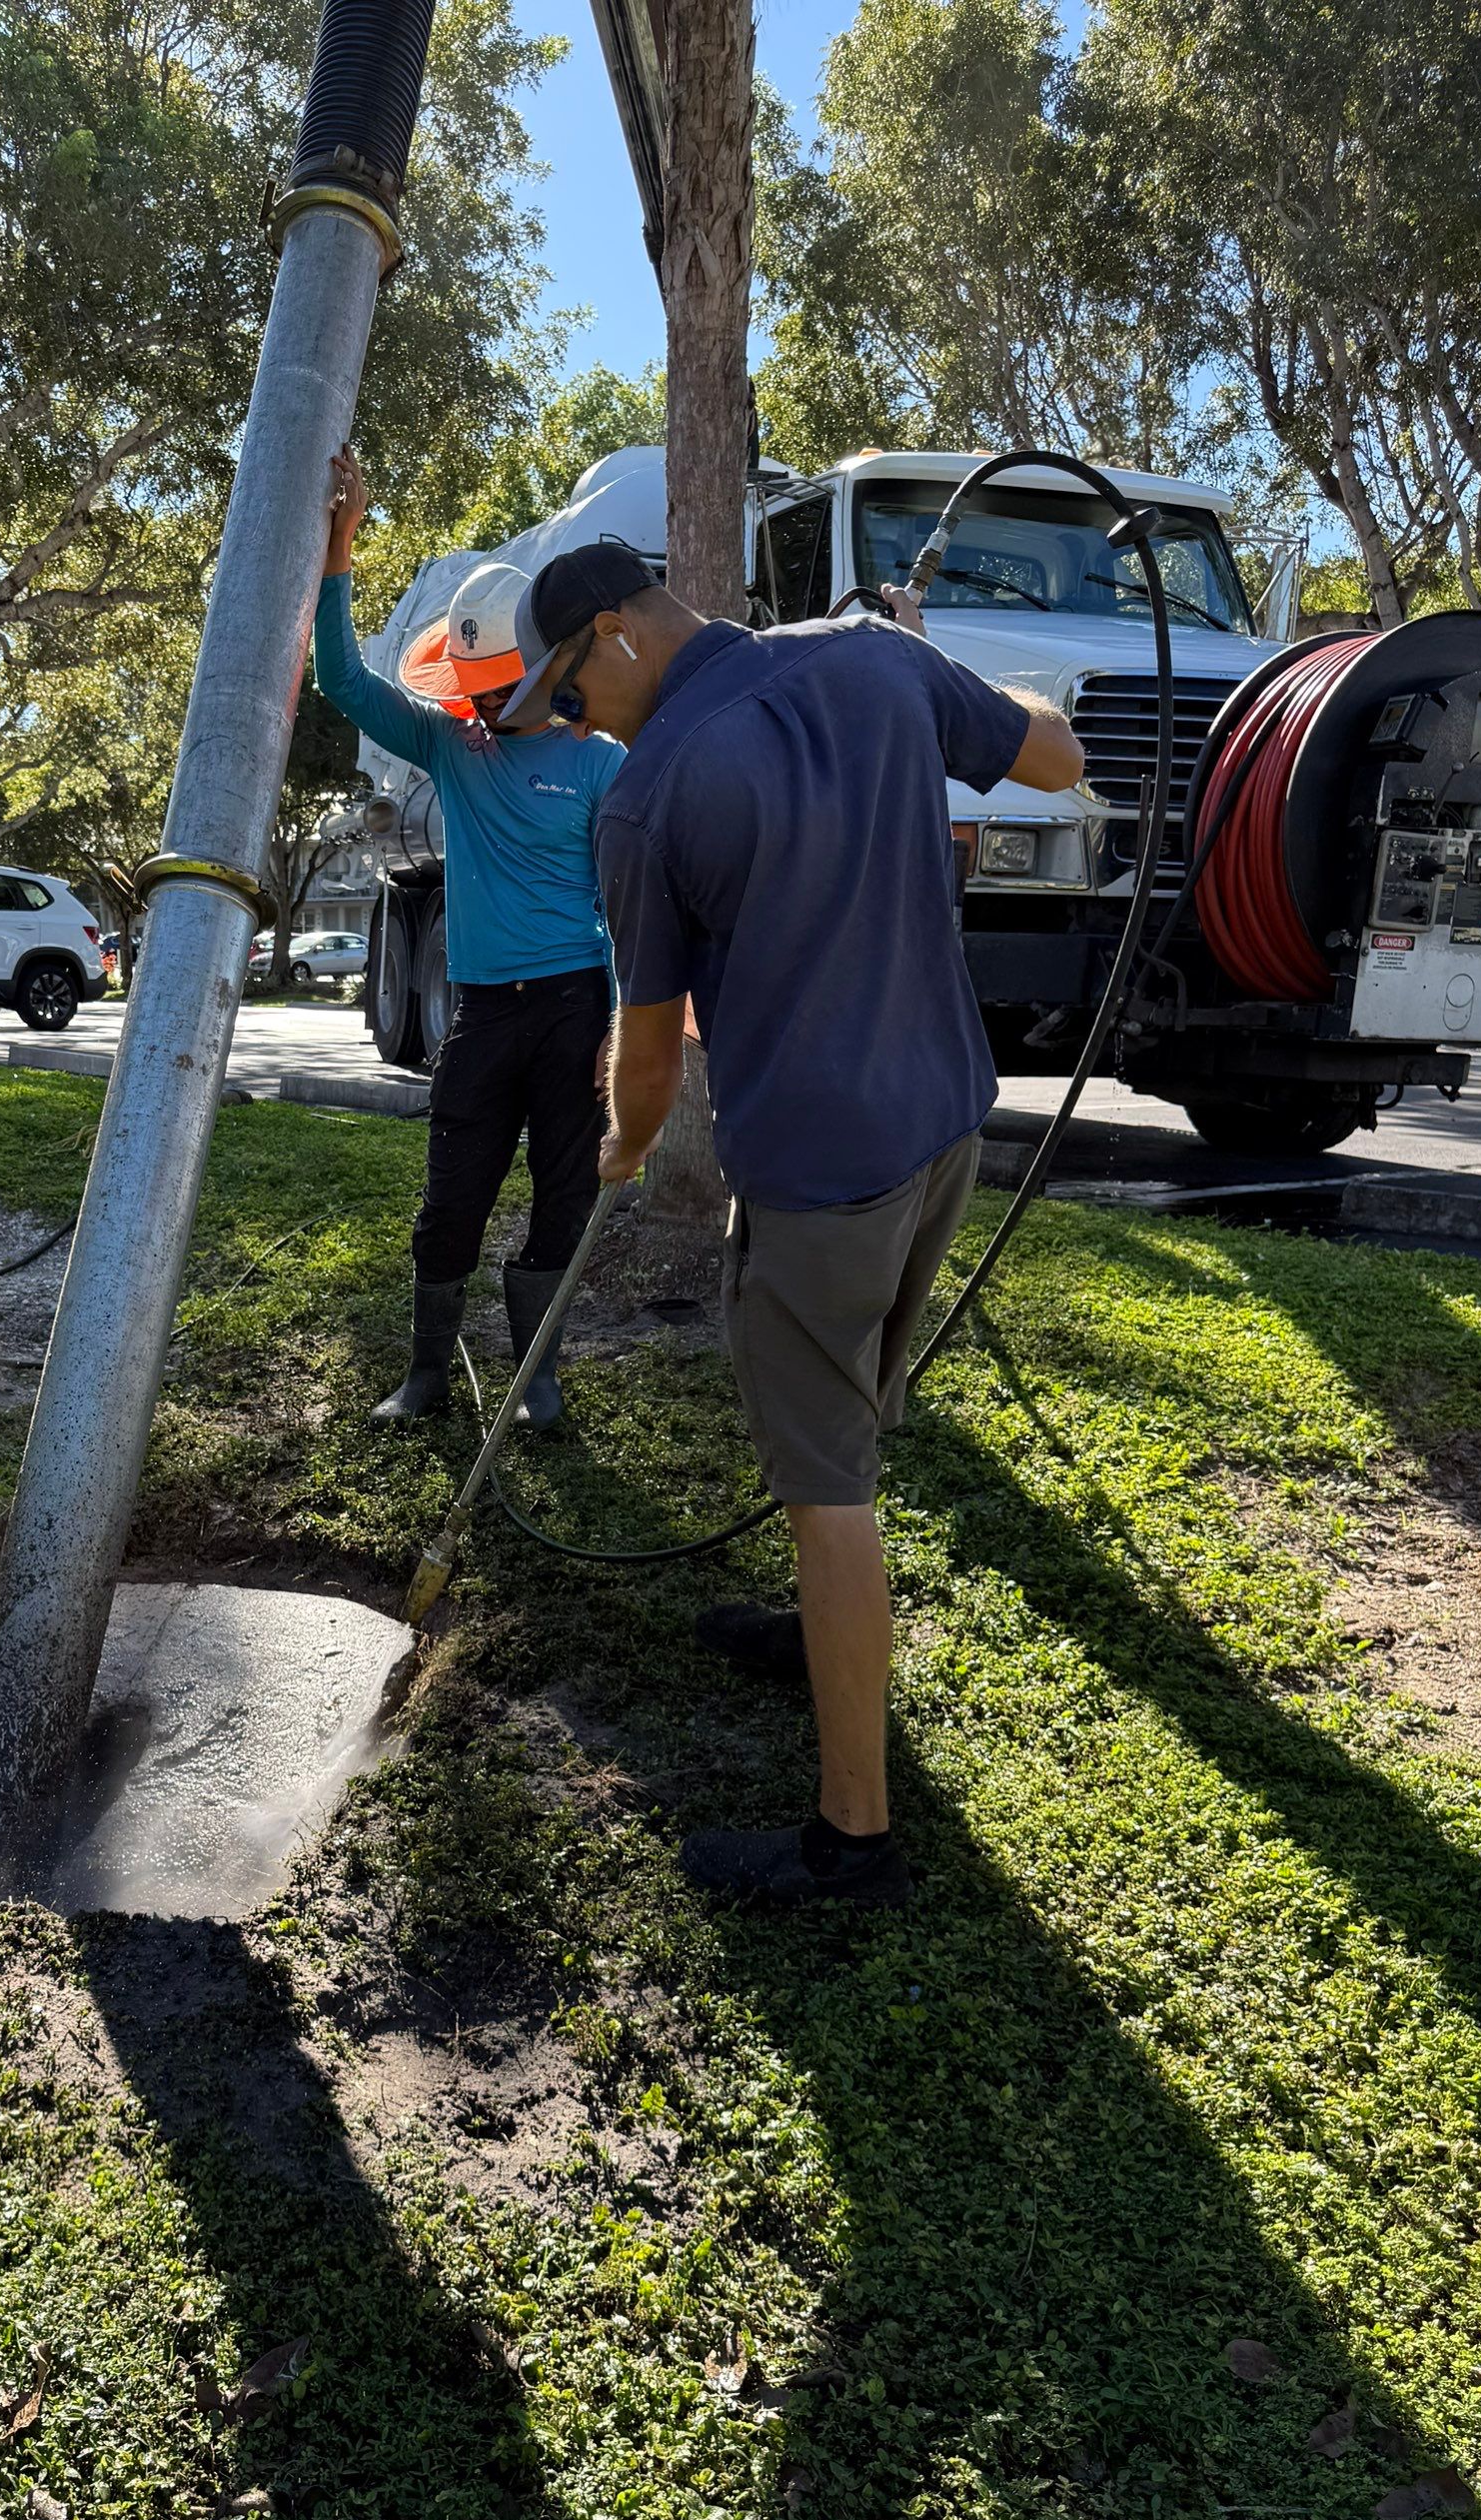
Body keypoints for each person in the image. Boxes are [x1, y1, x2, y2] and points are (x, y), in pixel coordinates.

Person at [500, 544, 1083, 1906]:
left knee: (833, 1491)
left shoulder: (648, 803)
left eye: (570, 698)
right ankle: (815, 1631)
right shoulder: (875, 662)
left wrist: (626, 1148)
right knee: (843, 1414)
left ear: (616, 635)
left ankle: (854, 1842)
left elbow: (645, 1055)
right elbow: (1052, 758)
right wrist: (929, 665)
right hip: (943, 1130)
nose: (578, 727)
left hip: (821, 1174)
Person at [315, 445, 624, 1428]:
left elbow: (627, 900)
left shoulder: (600, 761)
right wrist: (340, 549)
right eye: (475, 689)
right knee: (452, 1202)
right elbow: (344, 684)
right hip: (483, 1015)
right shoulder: (453, 746)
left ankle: (538, 1379)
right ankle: (426, 1378)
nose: (486, 707)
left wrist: (622, 1028)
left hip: (577, 1008)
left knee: (562, 1205)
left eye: (500, 687)